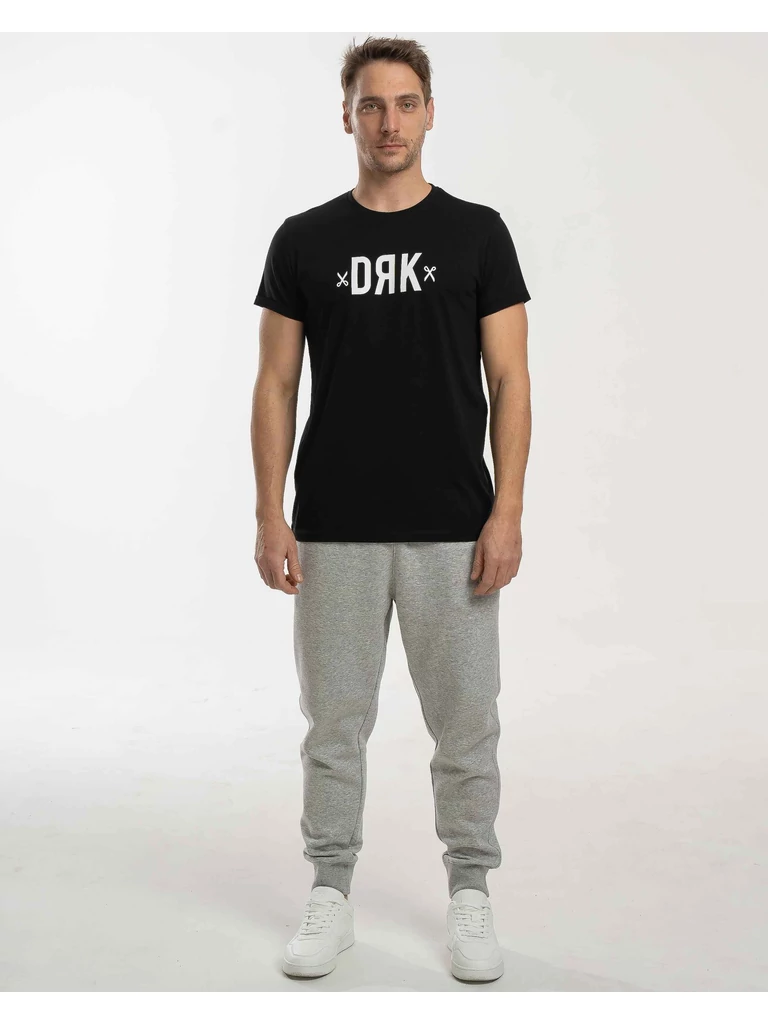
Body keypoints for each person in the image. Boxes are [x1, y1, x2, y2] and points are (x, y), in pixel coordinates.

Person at [252, 35, 531, 983]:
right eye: (371, 104)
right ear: (346, 115)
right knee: (334, 726)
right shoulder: (304, 240)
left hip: (455, 526)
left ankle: (471, 892)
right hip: (334, 525)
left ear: (430, 112)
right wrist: (270, 514)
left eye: (406, 103)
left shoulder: (478, 235)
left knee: (467, 726)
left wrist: (507, 511)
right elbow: (275, 384)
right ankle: (330, 893)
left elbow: (511, 381)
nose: (388, 122)